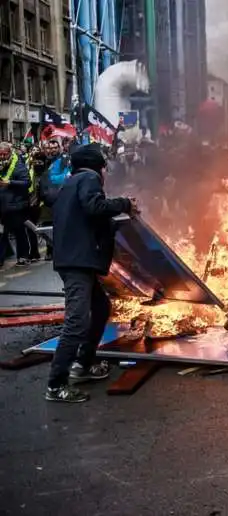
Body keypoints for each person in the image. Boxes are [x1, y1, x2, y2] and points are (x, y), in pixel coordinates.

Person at [46, 143, 136, 403]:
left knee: (101, 308)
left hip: (74, 260)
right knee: (76, 322)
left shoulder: (70, 182)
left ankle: (83, 364)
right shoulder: (88, 178)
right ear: (99, 167)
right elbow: (94, 207)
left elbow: (86, 217)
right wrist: (124, 204)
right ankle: (56, 384)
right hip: (77, 262)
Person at [0, 141, 33, 266]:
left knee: (19, 232)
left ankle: (23, 256)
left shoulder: (19, 165)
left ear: (9, 153)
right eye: (0, 155)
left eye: (4, 154)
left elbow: (26, 183)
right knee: (2, 233)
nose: (2, 157)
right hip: (2, 206)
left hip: (16, 205)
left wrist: (10, 183)